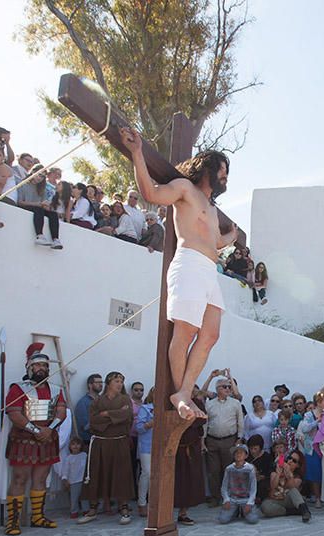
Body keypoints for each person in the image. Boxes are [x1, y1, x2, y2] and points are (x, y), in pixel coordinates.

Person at [122, 129, 237, 421]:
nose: (225, 178)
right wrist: (137, 154)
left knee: (210, 335)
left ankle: (184, 391)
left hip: (210, 271)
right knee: (185, 332)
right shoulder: (185, 188)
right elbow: (151, 194)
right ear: (208, 168)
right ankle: (182, 394)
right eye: (222, 171)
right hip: (188, 265)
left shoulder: (212, 209)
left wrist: (231, 236)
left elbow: (214, 243)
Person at [0, 343, 66, 535]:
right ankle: (13, 521)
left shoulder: (56, 389)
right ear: (29, 368)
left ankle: (37, 516)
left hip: (47, 438)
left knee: (41, 477)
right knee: (19, 478)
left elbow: (61, 411)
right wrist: (36, 430)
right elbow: (15, 413)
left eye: (44, 366)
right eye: (37, 366)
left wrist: (49, 429)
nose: (41, 369)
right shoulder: (18, 389)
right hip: (24, 438)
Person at [79, 371, 135, 525]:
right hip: (100, 443)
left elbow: (127, 416)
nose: (120, 384)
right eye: (117, 381)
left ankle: (124, 509)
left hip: (119, 442)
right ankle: (92, 509)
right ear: (108, 383)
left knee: (121, 474)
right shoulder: (98, 401)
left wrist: (107, 414)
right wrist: (115, 417)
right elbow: (93, 420)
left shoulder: (125, 399)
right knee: (97, 474)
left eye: (121, 381)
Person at [203, 376, 243, 506]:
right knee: (213, 471)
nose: (227, 389)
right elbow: (205, 423)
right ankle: (215, 497)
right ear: (217, 389)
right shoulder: (209, 404)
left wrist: (239, 438)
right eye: (224, 387)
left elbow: (240, 421)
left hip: (229, 441)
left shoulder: (235, 403)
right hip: (212, 440)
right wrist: (202, 441)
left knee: (229, 469)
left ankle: (229, 497)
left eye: (229, 387)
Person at [173, 389, 207, 526]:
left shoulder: (197, 404)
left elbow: (200, 419)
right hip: (173, 449)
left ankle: (183, 513)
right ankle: (163, 514)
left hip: (191, 449)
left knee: (188, 480)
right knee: (172, 480)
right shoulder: (173, 403)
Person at [16, 164, 62, 249]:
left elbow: (43, 203)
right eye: (39, 175)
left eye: (43, 177)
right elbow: (20, 202)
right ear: (33, 172)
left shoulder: (42, 189)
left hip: (38, 207)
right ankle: (39, 235)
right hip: (27, 206)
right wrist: (37, 204)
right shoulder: (22, 183)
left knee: (53, 214)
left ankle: (55, 239)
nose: (40, 178)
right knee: (38, 210)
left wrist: (47, 207)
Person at [260, 450, 311, 521]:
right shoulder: (274, 473)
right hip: (277, 500)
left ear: (298, 465)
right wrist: (278, 474)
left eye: (294, 460)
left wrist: (289, 475)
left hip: (291, 500)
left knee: (293, 490)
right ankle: (292, 511)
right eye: (289, 458)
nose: (290, 461)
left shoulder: (298, 478)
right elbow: (273, 488)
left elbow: (291, 487)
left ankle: (305, 511)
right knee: (265, 506)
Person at [218, 443, 260, 524]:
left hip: (246, 499)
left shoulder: (250, 468)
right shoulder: (229, 469)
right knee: (223, 519)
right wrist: (226, 500)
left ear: (246, 456)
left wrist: (250, 502)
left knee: (253, 519)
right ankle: (235, 511)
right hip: (233, 499)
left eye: (241, 452)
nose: (238, 454)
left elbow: (253, 488)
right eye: (236, 452)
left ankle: (245, 510)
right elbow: (224, 487)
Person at [298, 391, 324, 506]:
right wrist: (317, 421)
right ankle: (318, 498)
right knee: (315, 473)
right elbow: (305, 429)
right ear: (319, 402)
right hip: (312, 448)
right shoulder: (309, 415)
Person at [135, 389, 155, 518]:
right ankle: (142, 502)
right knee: (147, 473)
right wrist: (149, 424)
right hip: (147, 446)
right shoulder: (146, 408)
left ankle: (155, 504)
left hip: (162, 446)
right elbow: (139, 428)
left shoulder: (169, 408)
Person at [61, 436, 88, 519]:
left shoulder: (84, 455)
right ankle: (74, 511)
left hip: (84, 480)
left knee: (85, 497)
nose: (75, 446)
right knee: (74, 498)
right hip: (73, 481)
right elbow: (65, 469)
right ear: (70, 446)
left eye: (78, 444)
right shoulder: (68, 458)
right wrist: (65, 479)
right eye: (73, 444)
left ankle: (86, 510)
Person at [74, 374, 102, 445]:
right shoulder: (83, 403)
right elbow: (84, 426)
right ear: (90, 385)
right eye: (97, 382)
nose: (101, 384)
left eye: (101, 382)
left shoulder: (104, 400)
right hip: (90, 440)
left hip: (104, 439)